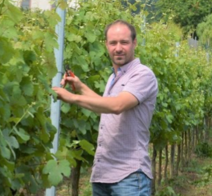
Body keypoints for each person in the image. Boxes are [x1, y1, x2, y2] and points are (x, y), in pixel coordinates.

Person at [53, 19, 158, 196]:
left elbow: (117, 105)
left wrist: (72, 97)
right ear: (106, 45)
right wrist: (80, 86)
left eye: (124, 42)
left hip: (130, 176)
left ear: (134, 43)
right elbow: (105, 106)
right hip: (103, 175)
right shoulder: (114, 78)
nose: (118, 48)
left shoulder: (142, 74)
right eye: (113, 43)